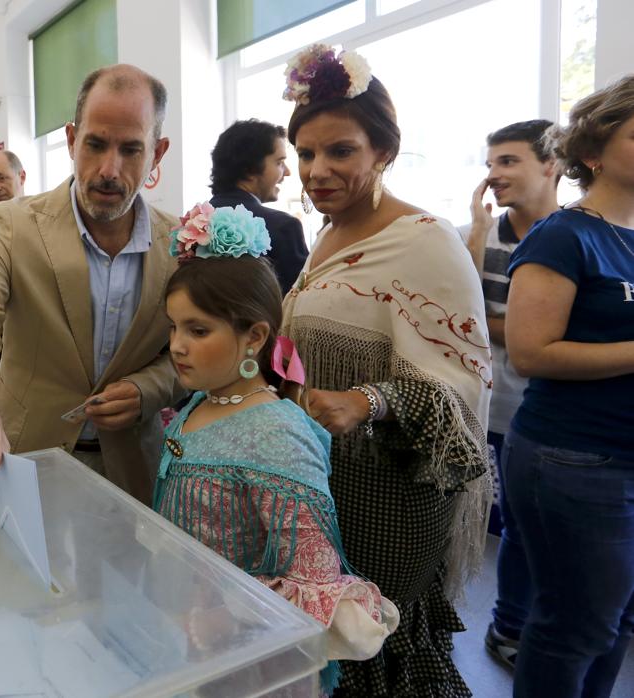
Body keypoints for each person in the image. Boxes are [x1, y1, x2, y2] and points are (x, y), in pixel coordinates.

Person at [278, 45, 492, 696]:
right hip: (325, 482)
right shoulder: (327, 234)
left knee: (374, 641)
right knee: (333, 638)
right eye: (305, 154)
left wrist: (366, 400)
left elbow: (462, 382)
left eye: (339, 151)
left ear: (382, 152)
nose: (317, 170)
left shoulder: (425, 241)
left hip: (392, 495)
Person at [154, 206, 397, 692]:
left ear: (255, 336)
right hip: (187, 639)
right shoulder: (199, 403)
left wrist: (222, 615)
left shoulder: (275, 434)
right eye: (174, 327)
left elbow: (311, 576)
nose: (177, 346)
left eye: (198, 330)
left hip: (248, 655)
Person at [0, 64, 179, 506]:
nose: (108, 169)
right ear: (70, 140)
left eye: (131, 150)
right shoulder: (14, 226)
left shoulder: (178, 245)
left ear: (157, 153)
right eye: (95, 145)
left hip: (133, 475)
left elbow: (189, 352)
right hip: (20, 461)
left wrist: (148, 389)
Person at [502, 75, 634, 698]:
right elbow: (531, 352)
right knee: (575, 627)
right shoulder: (565, 235)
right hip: (576, 458)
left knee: (619, 623)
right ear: (593, 152)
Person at [460, 119, 560, 669]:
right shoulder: (476, 234)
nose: (494, 174)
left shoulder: (577, 234)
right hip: (498, 409)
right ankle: (510, 626)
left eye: (509, 161)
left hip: (560, 407)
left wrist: (518, 330)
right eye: (491, 162)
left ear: (553, 165)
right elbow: (465, 319)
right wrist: (475, 237)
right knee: (518, 526)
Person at [208, 119, 310, 294]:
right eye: (279, 162)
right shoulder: (283, 227)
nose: (287, 172)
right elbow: (299, 303)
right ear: (250, 169)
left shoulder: (193, 225)